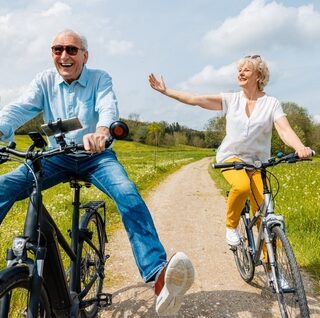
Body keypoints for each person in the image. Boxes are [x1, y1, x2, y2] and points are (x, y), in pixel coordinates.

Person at [0, 29, 194, 316]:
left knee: (127, 194)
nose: (64, 55)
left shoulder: (99, 78)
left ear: (84, 55)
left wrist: (102, 131)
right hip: (57, 157)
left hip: (96, 156)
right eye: (57, 49)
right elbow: (17, 110)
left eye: (71, 50)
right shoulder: (44, 81)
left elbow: (107, 106)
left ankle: (157, 274)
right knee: (5, 186)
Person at [149, 55, 314, 247]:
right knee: (242, 186)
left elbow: (285, 129)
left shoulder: (271, 103)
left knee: (265, 213)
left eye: (246, 70)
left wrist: (300, 147)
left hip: (257, 162)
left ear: (259, 75)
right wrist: (166, 91)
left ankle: (274, 272)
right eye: (239, 70)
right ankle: (231, 226)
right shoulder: (231, 100)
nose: (240, 73)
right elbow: (195, 99)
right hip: (231, 157)